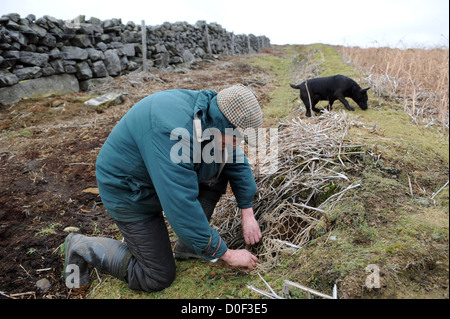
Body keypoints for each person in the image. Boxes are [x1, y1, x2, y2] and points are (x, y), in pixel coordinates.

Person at [63, 84, 264, 292]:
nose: (236, 145)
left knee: (219, 169)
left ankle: (191, 247)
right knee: (156, 276)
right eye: (235, 139)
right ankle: (81, 245)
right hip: (129, 190)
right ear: (222, 125)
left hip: (158, 178)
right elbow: (181, 206)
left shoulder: (210, 117)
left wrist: (247, 212)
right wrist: (227, 254)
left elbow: (236, 161)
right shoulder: (171, 132)